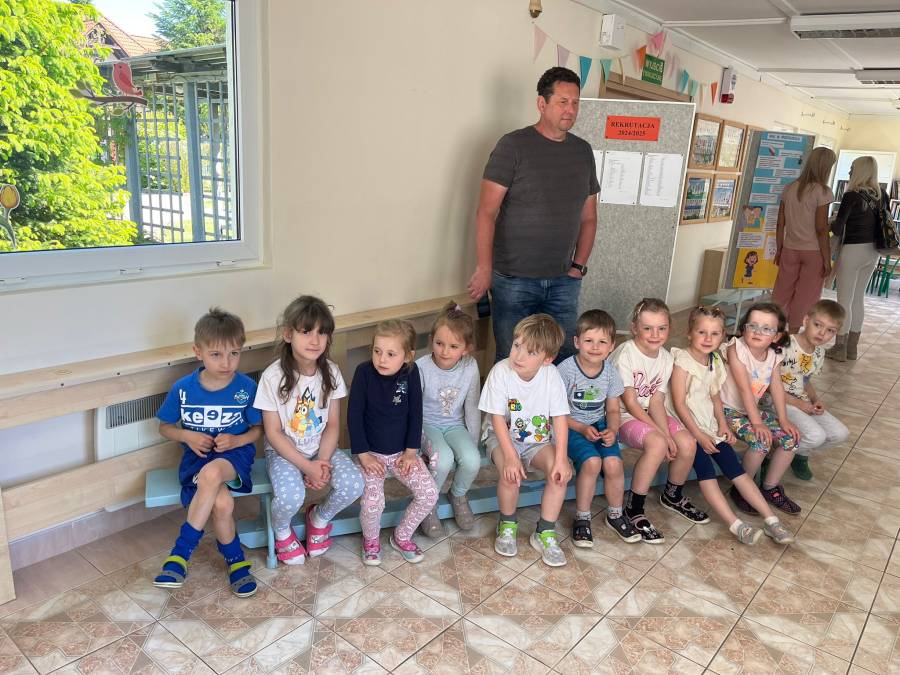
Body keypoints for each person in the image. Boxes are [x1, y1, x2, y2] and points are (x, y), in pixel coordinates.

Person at [466, 66, 599, 364]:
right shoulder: (513, 146)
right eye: (562, 102)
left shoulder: (583, 152)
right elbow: (486, 212)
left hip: (564, 281)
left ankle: (553, 403)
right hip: (514, 280)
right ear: (542, 103)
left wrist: (578, 267)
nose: (570, 110)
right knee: (513, 360)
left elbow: (589, 217)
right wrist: (484, 268)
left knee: (563, 361)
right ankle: (511, 401)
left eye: (575, 102)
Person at [153, 308, 262, 597]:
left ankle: (180, 553)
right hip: (197, 458)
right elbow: (165, 427)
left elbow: (257, 430)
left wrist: (237, 441)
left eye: (234, 353)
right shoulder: (183, 389)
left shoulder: (246, 388)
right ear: (198, 352)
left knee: (213, 473)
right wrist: (186, 435)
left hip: (234, 457)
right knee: (222, 504)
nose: (227, 362)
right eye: (216, 354)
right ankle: (236, 561)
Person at [668, 306, 794, 546]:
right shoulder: (682, 361)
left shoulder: (716, 359)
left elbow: (716, 397)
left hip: (709, 423)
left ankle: (771, 520)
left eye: (715, 334)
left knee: (736, 470)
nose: (708, 339)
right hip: (688, 427)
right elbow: (679, 404)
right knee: (706, 472)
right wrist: (699, 435)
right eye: (702, 332)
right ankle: (736, 525)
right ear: (689, 333)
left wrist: (722, 425)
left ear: (722, 336)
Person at [254, 296, 364, 565]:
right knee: (291, 496)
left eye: (322, 333)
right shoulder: (272, 377)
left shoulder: (332, 372)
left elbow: (333, 424)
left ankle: (319, 518)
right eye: (306, 332)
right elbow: (273, 433)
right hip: (284, 452)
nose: (315, 340)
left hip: (321, 447)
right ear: (288, 334)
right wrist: (307, 466)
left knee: (354, 484)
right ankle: (281, 530)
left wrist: (322, 462)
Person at [612, 298, 709, 545]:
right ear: (634, 328)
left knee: (687, 443)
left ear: (669, 328)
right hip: (623, 415)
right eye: (647, 328)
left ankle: (672, 495)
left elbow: (656, 401)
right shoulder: (626, 354)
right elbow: (630, 403)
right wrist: (663, 436)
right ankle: (634, 508)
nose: (655, 335)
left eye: (661, 328)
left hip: (650, 412)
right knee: (657, 443)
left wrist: (666, 432)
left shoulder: (665, 358)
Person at [479, 314, 572, 567]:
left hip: (537, 440)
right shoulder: (501, 372)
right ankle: (507, 524)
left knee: (559, 474)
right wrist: (510, 457)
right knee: (510, 474)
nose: (518, 356)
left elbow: (560, 419)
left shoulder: (551, 375)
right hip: (501, 437)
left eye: (530, 352)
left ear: (547, 359)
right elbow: (497, 419)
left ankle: (545, 531)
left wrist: (561, 459)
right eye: (517, 345)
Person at [349, 320, 438, 565]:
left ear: (408, 356)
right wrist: (364, 455)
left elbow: (415, 414)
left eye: (391, 354)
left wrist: (410, 452)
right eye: (377, 351)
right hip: (370, 454)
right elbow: (354, 416)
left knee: (429, 494)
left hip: (402, 453)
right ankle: (370, 540)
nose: (382, 359)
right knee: (372, 503)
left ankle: (402, 536)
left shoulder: (411, 373)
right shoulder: (363, 373)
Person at [558, 309, 640, 548]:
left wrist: (612, 429)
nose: (595, 347)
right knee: (593, 462)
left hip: (599, 424)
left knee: (613, 463)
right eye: (589, 341)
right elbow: (558, 413)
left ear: (611, 346)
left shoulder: (611, 373)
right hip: (570, 426)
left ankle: (615, 514)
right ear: (577, 342)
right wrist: (581, 428)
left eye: (602, 342)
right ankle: (582, 518)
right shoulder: (565, 370)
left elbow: (613, 409)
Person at [719, 303, 803, 516]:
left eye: (767, 328)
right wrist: (756, 423)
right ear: (743, 328)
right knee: (761, 440)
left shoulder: (774, 355)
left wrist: (783, 419)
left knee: (790, 439)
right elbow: (744, 389)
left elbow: (777, 387)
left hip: (749, 411)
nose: (758, 332)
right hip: (726, 410)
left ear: (776, 336)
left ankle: (769, 487)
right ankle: (742, 489)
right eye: (753, 326)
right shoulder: (735, 349)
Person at [415, 302, 482, 536]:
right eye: (439, 343)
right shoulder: (421, 367)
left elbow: (472, 405)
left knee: (472, 459)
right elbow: (412, 409)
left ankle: (458, 495)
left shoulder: (470, 367)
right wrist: (412, 445)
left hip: (455, 425)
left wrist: (472, 440)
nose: (444, 351)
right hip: (427, 425)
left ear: (466, 348)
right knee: (442, 460)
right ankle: (428, 503)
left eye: (453, 346)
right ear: (431, 340)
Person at [779, 300, 849, 480]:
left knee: (840, 434)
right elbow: (767, 384)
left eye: (830, 330)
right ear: (805, 321)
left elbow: (805, 380)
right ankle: (772, 458)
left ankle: (799, 454)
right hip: (777, 400)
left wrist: (815, 399)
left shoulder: (819, 352)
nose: (822, 333)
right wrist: (797, 403)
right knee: (816, 435)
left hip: (801, 401)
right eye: (818, 325)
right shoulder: (785, 344)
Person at [772, 147, 837, 333]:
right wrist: (827, 259)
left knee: (781, 293)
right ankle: (792, 335)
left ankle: (774, 330)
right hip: (813, 251)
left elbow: (780, 223)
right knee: (806, 296)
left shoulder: (789, 188)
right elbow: (821, 229)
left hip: (789, 248)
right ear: (826, 167)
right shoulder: (823, 191)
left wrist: (779, 249)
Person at [827, 156, 885, 361]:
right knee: (858, 298)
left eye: (852, 168)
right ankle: (852, 349)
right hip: (874, 252)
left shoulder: (851, 196)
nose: (850, 171)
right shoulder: (882, 195)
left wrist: (830, 221)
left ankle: (839, 348)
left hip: (853, 250)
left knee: (844, 299)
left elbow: (837, 228)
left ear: (860, 171)